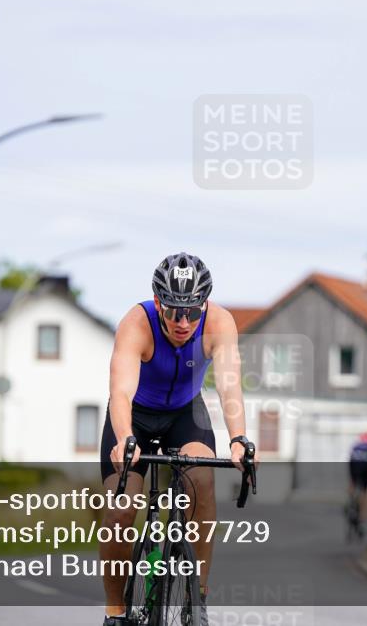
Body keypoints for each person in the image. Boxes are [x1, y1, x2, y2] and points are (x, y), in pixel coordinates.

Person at [99, 253, 251, 626]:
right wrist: (124, 439)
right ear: (157, 304)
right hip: (134, 415)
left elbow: (230, 384)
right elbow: (120, 392)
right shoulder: (137, 324)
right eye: (173, 312)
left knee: (201, 479)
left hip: (185, 414)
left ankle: (195, 599)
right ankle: (115, 611)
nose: (183, 323)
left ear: (204, 305)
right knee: (120, 511)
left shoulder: (219, 322)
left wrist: (239, 438)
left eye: (192, 313)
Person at [348, 432, 367, 531]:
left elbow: (350, 459)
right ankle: (363, 516)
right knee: (366, 491)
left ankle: (350, 502)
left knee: (353, 482)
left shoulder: (356, 446)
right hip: (366, 466)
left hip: (354, 465)